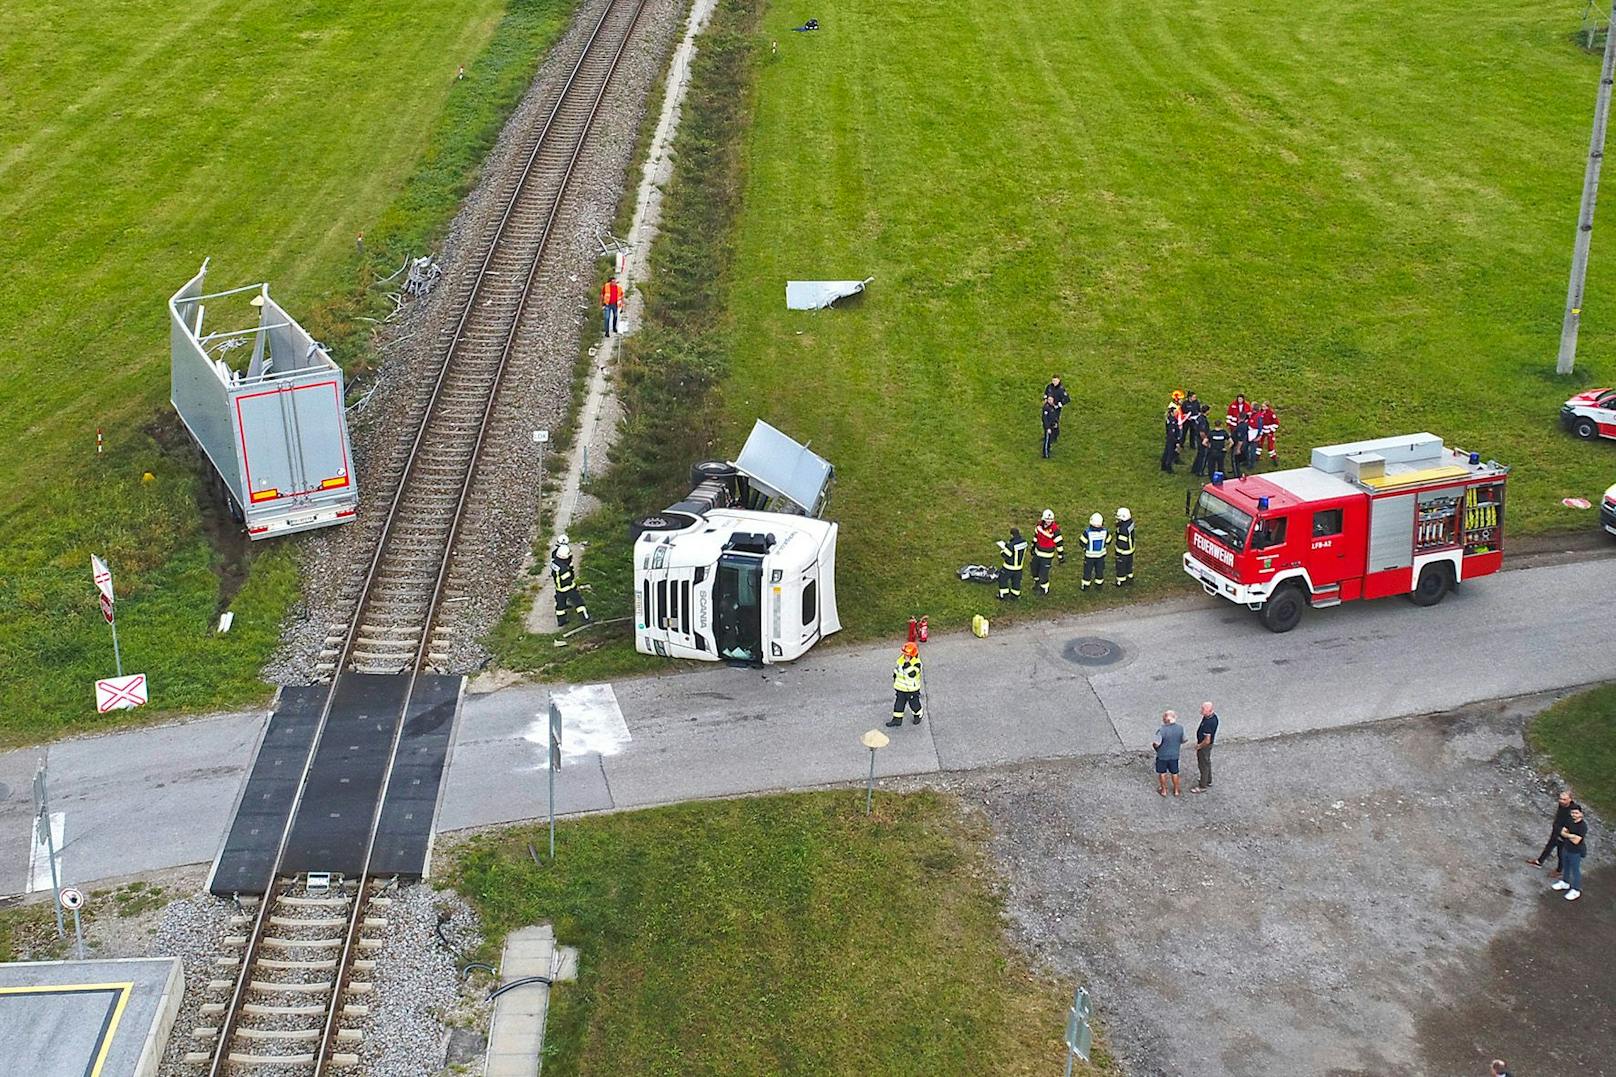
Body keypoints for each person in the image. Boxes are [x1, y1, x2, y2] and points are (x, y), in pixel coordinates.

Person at [1527, 790, 1581, 879]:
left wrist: (1564, 833)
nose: (1561, 801)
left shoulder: (1574, 810)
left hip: (1564, 834)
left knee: (1561, 852)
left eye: (1564, 799)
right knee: (1549, 846)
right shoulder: (1562, 806)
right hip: (1557, 830)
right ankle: (1539, 862)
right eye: (1560, 799)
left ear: (1570, 799)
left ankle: (1559, 870)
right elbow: (1559, 817)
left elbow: (1574, 824)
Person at [550, 537, 589, 627]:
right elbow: (567, 581)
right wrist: (573, 586)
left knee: (560, 606)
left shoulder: (555, 562)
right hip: (567, 588)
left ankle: (561, 621)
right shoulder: (564, 569)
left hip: (558, 588)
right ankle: (585, 618)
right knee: (579, 602)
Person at [1552, 806, 1587, 900]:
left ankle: (1576, 890)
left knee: (1575, 871)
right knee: (1566, 867)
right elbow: (1562, 832)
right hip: (1566, 848)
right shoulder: (1570, 821)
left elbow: (1576, 841)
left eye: (1576, 813)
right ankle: (1565, 882)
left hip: (1576, 852)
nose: (1574, 815)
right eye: (1572, 813)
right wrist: (1571, 836)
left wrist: (1567, 835)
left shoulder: (1583, 826)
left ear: (1581, 814)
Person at [888, 641, 923, 727]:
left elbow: (912, 674)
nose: (905, 656)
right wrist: (895, 676)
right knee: (898, 704)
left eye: (907, 655)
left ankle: (918, 715)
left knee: (914, 704)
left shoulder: (917, 663)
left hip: (911, 690)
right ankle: (897, 720)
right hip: (900, 688)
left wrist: (907, 664)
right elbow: (897, 670)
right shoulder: (900, 660)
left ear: (913, 655)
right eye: (904, 654)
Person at [1152, 710, 1186, 797]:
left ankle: (1164, 790)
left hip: (1162, 755)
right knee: (1174, 772)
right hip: (1174, 755)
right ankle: (1176, 790)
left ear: (1164, 720)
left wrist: (1155, 747)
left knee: (1162, 773)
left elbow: (1157, 743)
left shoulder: (1161, 730)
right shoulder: (1180, 728)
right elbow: (1184, 740)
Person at [1033, 509, 1064, 595]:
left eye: (1050, 520)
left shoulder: (1055, 529)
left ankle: (1044, 589)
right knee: (1034, 569)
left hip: (1047, 555)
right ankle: (1037, 583)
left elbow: (1059, 543)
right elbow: (1036, 537)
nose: (1049, 521)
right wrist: (1033, 546)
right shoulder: (1039, 526)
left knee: (1043, 573)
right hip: (1037, 552)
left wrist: (1060, 556)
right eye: (1047, 519)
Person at [1190, 701, 1218, 792]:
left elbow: (1207, 740)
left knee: (1203, 765)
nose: (1201, 711)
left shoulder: (1209, 723)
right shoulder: (1211, 717)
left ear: (1209, 711)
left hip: (1204, 746)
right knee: (1207, 762)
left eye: (1203, 709)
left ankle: (1202, 786)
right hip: (1206, 745)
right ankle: (1208, 780)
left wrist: (1199, 746)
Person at [996, 527, 1028, 600]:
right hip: (1019, 567)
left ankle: (1003, 595)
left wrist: (1003, 550)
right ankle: (1015, 596)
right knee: (1016, 582)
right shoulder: (1024, 542)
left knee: (1002, 580)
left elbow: (1005, 555)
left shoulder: (1011, 545)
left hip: (1009, 567)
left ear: (1012, 535)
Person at [1081, 512, 1108, 590]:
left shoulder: (1087, 532)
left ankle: (1086, 586)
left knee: (1087, 571)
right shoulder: (1105, 532)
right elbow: (1108, 540)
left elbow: (1082, 542)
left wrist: (1085, 548)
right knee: (1099, 571)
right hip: (1101, 556)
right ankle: (1099, 586)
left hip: (1089, 556)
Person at [1113, 507, 1135, 586]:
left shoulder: (1123, 530)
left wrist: (1118, 551)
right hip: (1130, 549)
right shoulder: (1130, 523)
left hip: (1123, 552)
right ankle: (1130, 577)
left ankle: (1121, 581)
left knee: (1121, 567)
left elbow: (1121, 544)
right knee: (1129, 565)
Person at [1190, 405, 1212, 476]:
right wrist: (1206, 441)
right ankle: (1200, 471)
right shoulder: (1203, 420)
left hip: (1197, 438)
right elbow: (1202, 432)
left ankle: (1194, 469)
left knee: (1199, 455)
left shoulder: (1198, 418)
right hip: (1201, 440)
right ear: (1207, 411)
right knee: (1203, 456)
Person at [1227, 410, 1249, 479]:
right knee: (1238, 460)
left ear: (1238, 417)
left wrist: (1238, 448)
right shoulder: (1245, 425)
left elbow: (1240, 439)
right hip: (1244, 445)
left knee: (1235, 460)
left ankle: (1236, 475)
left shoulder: (1240, 427)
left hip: (1237, 445)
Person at [1160, 403, 1179, 473]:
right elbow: (1172, 432)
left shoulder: (1171, 419)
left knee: (1166, 452)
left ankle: (1163, 466)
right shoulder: (1172, 421)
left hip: (1169, 438)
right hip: (1171, 439)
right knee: (1170, 453)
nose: (1177, 412)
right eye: (1175, 412)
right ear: (1172, 413)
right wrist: (1176, 441)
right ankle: (1168, 468)